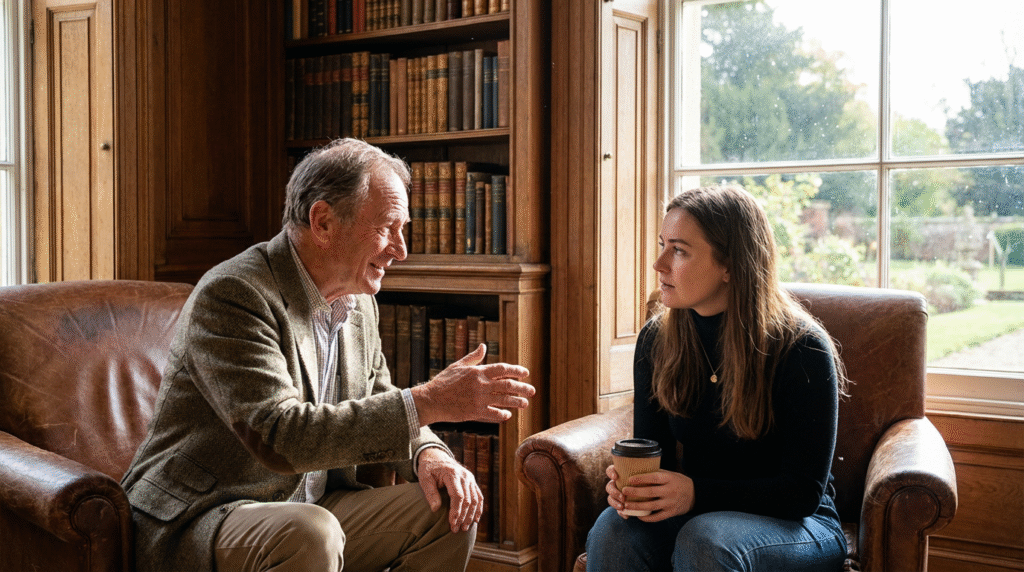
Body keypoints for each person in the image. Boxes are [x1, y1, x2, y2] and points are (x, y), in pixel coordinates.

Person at [120, 138, 534, 572]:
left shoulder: (358, 303)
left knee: (450, 510)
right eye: (387, 227)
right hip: (208, 512)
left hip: (314, 508)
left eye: (403, 229)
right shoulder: (235, 295)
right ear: (322, 222)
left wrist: (427, 454)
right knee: (312, 533)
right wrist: (433, 400)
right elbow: (281, 437)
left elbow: (379, 394)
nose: (401, 249)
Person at [585, 185, 849, 571]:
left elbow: (801, 494)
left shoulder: (801, 348)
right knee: (614, 528)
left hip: (800, 524)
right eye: (663, 245)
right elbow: (652, 453)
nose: (659, 264)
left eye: (679, 250)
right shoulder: (657, 340)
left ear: (730, 265)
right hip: (702, 516)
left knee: (706, 540)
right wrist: (637, 489)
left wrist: (695, 494)